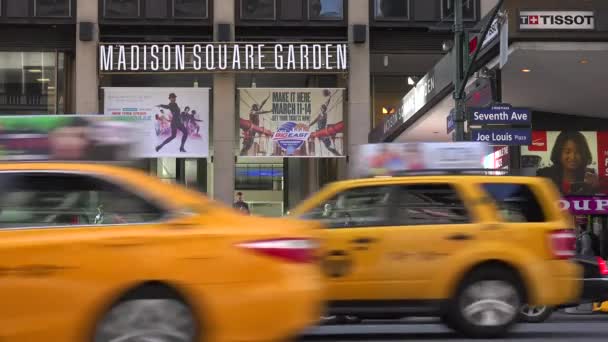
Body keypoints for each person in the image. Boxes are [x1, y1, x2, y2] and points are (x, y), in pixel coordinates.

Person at [536, 131, 599, 195]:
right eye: (567, 152)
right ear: (559, 153)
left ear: (583, 154)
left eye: (578, 152)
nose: (572, 157)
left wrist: (595, 188)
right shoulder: (544, 176)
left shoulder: (591, 177)